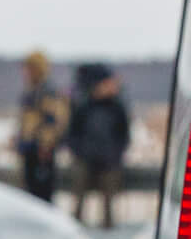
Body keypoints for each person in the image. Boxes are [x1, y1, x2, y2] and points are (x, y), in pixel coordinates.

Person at [68, 63, 131, 228]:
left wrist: (115, 154)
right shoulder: (83, 106)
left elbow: (124, 136)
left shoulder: (117, 108)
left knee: (109, 201)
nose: (112, 87)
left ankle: (108, 230)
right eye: (108, 83)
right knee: (78, 197)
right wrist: (80, 152)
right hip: (85, 159)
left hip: (109, 161)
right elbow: (72, 134)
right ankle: (75, 229)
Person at [16, 50, 67, 202]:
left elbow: (53, 121)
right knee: (31, 195)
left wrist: (45, 145)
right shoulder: (32, 91)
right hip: (30, 149)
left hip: (41, 153)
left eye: (28, 68)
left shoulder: (47, 92)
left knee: (42, 197)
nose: (25, 72)